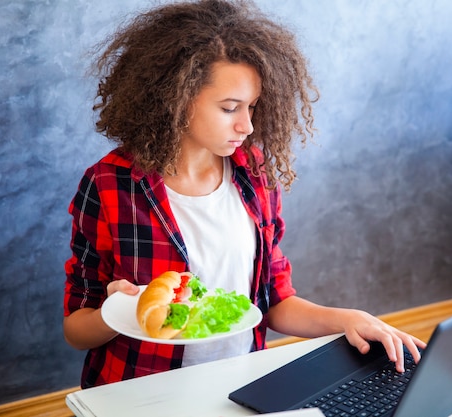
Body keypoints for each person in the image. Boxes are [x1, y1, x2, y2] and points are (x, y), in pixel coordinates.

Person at [63, 0, 426, 389]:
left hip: (239, 386)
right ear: (175, 99)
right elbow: (75, 330)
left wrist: (351, 319)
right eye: (230, 107)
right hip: (141, 391)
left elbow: (275, 303)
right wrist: (114, 312)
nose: (248, 125)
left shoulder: (253, 172)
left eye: (252, 106)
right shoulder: (109, 184)